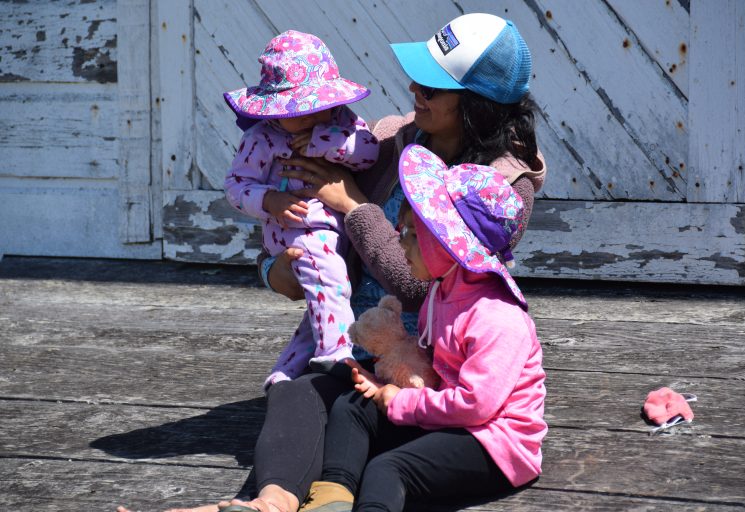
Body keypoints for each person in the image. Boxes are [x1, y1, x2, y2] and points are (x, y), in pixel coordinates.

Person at [117, 12, 547, 512]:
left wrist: (355, 206)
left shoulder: (500, 189)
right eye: (418, 77)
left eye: (432, 87)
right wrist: (275, 269)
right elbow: (296, 217)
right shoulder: (388, 140)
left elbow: (424, 288)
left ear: (477, 106)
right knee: (296, 396)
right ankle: (267, 503)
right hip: (351, 340)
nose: (414, 90)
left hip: (431, 370)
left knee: (351, 417)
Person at [299, 144, 547, 512]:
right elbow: (433, 367)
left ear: (451, 244)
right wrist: (385, 387)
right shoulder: (441, 291)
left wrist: (405, 402)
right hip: (449, 416)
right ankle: (333, 497)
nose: (402, 242)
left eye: (415, 235)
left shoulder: (497, 316)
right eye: (403, 231)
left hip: (496, 441)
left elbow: (476, 405)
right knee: (355, 404)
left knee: (389, 469)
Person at [222, 30, 380, 389]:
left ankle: (285, 375)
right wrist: (267, 201)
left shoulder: (338, 121)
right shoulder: (261, 139)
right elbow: (235, 185)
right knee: (329, 283)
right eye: (299, 110)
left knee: (320, 307)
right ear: (273, 109)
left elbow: (368, 150)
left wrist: (326, 142)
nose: (311, 115)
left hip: (336, 234)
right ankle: (337, 351)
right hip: (296, 230)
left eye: (317, 106)